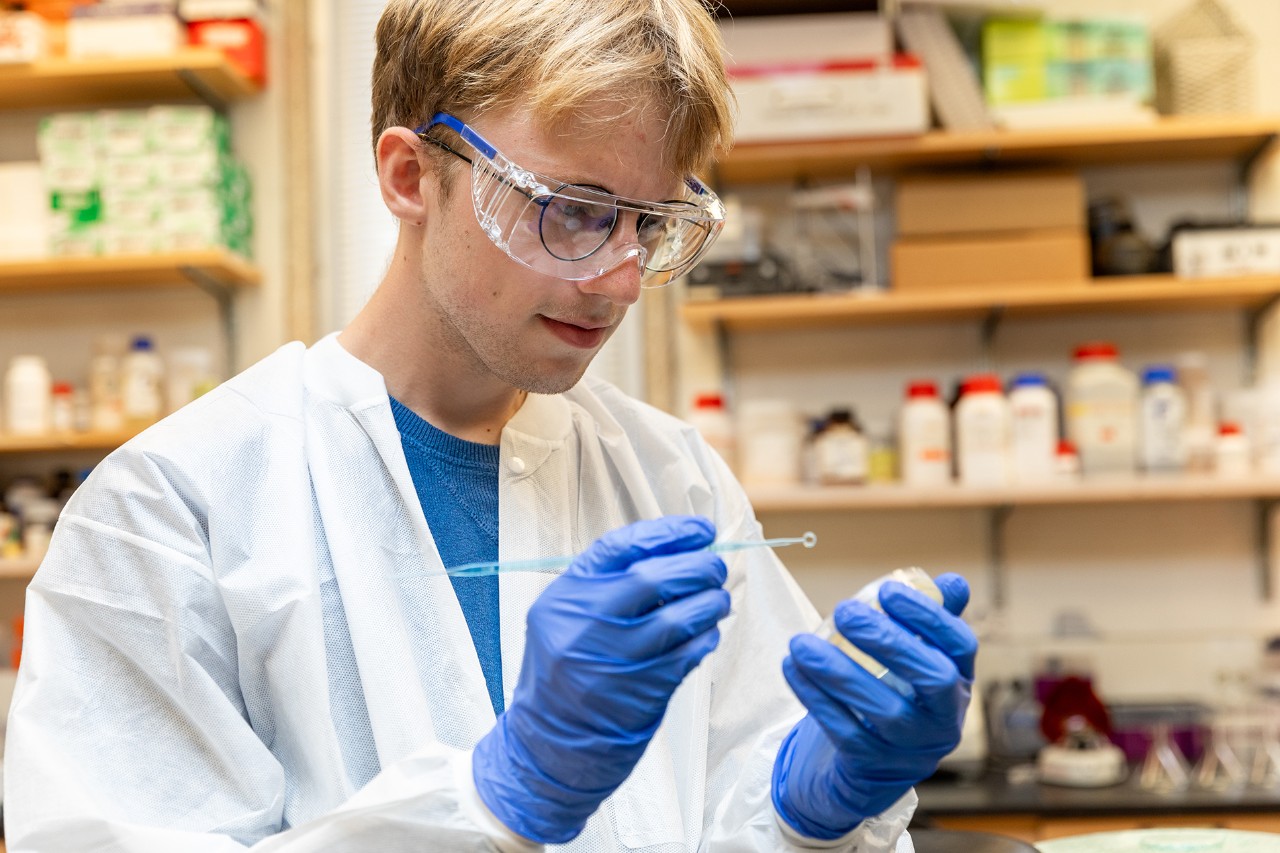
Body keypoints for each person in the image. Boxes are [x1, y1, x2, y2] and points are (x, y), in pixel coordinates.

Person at [5, 1, 977, 850]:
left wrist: (817, 806)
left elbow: (735, 803)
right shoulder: (172, 510)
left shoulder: (666, 475)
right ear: (407, 177)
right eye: (571, 211)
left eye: (650, 223)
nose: (619, 280)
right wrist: (499, 795)